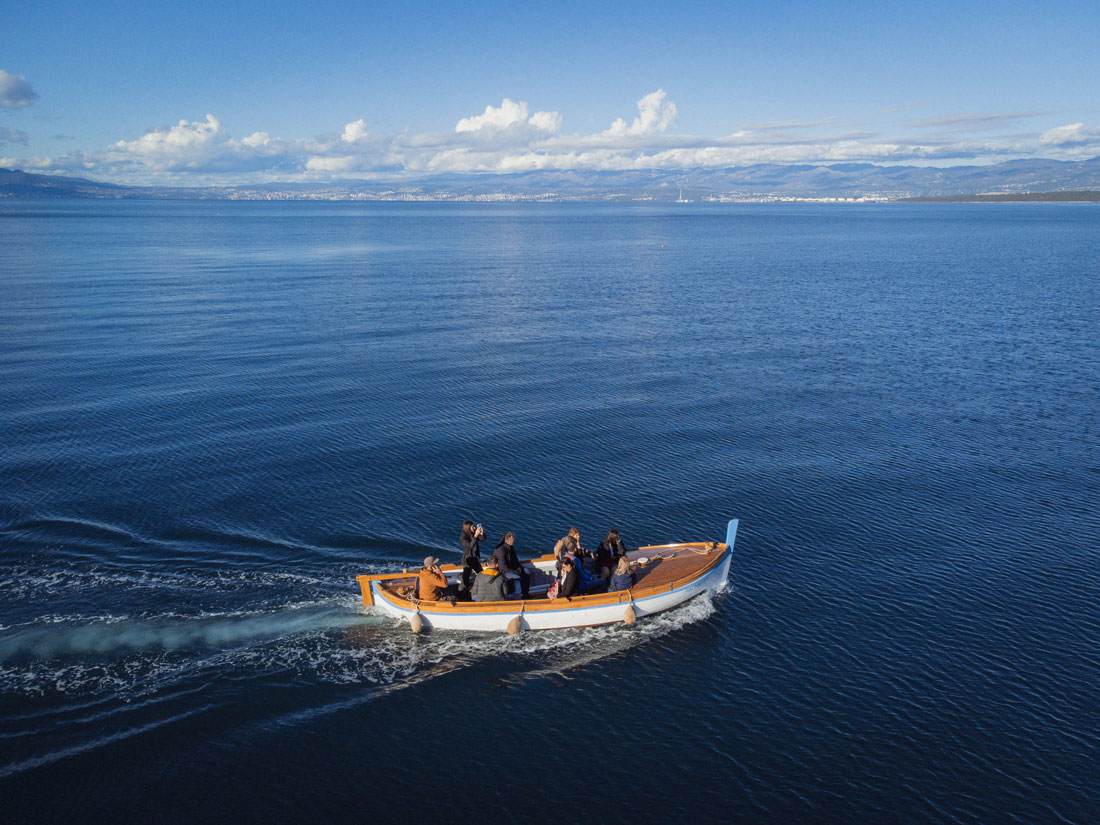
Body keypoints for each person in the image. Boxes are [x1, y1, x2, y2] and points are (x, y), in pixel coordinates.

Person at [491, 531, 530, 598]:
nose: (514, 541)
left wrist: (519, 568)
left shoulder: (510, 547)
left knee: (526, 571)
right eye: (513, 540)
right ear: (508, 541)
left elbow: (515, 559)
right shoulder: (500, 551)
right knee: (517, 577)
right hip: (503, 572)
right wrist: (516, 572)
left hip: (511, 568)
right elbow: (503, 567)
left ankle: (525, 594)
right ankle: (517, 597)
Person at [459, 520, 485, 594]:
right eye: (472, 526)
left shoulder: (473, 534)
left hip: (474, 558)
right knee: (465, 578)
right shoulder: (463, 537)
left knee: (481, 573)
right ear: (468, 528)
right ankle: (461, 591)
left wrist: (481, 533)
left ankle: (481, 586)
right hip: (468, 559)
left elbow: (483, 539)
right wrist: (476, 536)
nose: (474, 527)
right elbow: (470, 546)